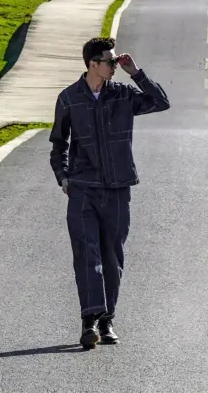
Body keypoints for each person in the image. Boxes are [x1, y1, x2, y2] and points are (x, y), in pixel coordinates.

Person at [49, 36, 170, 350]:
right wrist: (63, 177)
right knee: (86, 254)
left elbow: (161, 102)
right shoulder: (69, 99)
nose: (115, 65)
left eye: (116, 61)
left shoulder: (124, 95)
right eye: (111, 61)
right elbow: (58, 144)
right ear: (93, 64)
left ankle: (107, 320)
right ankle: (89, 321)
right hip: (82, 190)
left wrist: (136, 73)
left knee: (111, 257)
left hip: (117, 190)